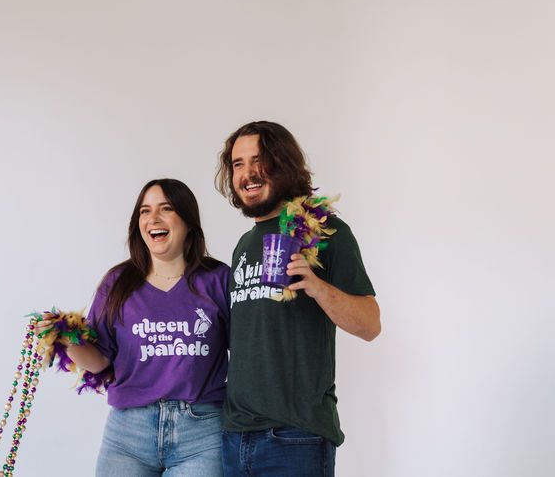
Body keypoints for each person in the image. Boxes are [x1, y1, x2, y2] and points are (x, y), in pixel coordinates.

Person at [215, 121, 381, 477]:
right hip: (235, 436)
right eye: (238, 164)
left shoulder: (324, 232)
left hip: (295, 438)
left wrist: (316, 285)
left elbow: (370, 325)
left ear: (282, 163)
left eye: (258, 160)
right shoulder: (243, 245)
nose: (247, 174)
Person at [36, 178, 230, 476]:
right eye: (144, 211)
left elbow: (248, 349)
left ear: (188, 220)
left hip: (202, 434)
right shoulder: (118, 282)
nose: (153, 219)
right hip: (129, 434)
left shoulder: (218, 279)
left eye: (166, 208)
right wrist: (66, 338)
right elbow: (99, 361)